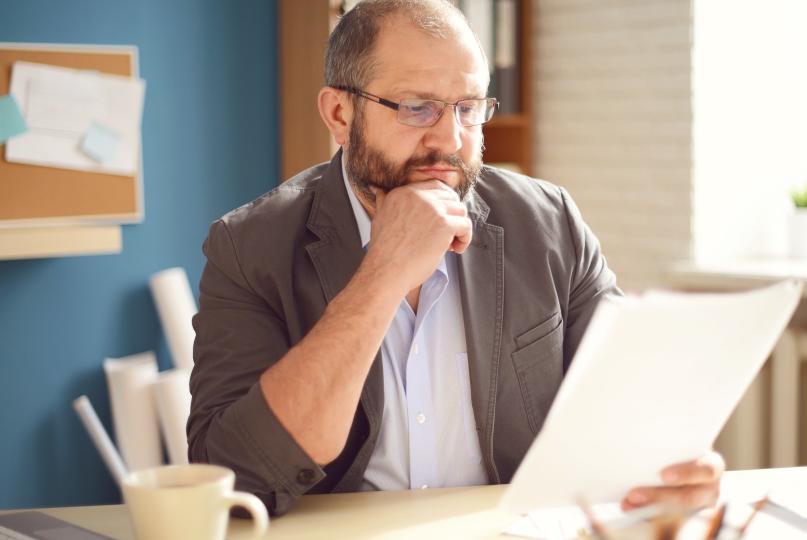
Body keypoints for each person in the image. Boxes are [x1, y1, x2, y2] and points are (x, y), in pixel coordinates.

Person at [188, 0, 723, 517]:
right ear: (339, 113)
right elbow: (235, 480)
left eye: (468, 109)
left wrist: (670, 466)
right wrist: (382, 273)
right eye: (417, 107)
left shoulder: (550, 222)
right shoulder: (249, 246)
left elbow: (626, 405)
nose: (449, 139)